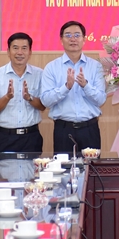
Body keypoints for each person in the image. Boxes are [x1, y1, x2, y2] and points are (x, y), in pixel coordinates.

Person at [41, 21, 106, 153]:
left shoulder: (96, 66)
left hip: (90, 129)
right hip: (63, 130)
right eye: (68, 35)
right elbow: (46, 101)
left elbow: (101, 100)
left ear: (84, 39)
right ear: (61, 40)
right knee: (63, 166)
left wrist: (86, 86)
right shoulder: (51, 67)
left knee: (91, 166)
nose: (73, 39)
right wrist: (66, 87)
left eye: (77, 35)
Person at [0, 32, 46, 153]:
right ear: (8, 51)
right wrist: (7, 97)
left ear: (30, 52)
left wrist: (29, 98)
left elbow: (42, 106)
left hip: (32, 136)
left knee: (33, 166)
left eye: (24, 48)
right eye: (15, 48)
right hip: (6, 137)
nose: (20, 52)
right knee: (4, 166)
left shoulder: (40, 74)